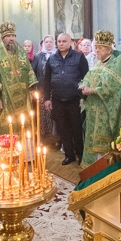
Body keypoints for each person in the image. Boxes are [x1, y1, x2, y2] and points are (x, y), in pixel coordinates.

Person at [79, 31, 121, 167]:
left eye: (100, 47)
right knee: (92, 140)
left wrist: (92, 90)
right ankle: (91, 170)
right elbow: (88, 78)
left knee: (102, 143)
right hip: (93, 110)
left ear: (109, 49)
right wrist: (84, 86)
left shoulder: (114, 66)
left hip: (105, 111)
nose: (96, 50)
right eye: (96, 47)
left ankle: (104, 171)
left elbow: (111, 87)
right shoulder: (98, 64)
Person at [42, 32, 89, 166]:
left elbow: (86, 78)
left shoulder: (79, 57)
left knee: (76, 129)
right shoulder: (52, 59)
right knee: (63, 130)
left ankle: (80, 155)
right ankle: (69, 155)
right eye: (59, 41)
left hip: (75, 99)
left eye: (64, 41)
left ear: (70, 42)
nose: (61, 44)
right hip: (57, 100)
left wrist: (83, 98)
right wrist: (47, 99)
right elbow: (46, 81)